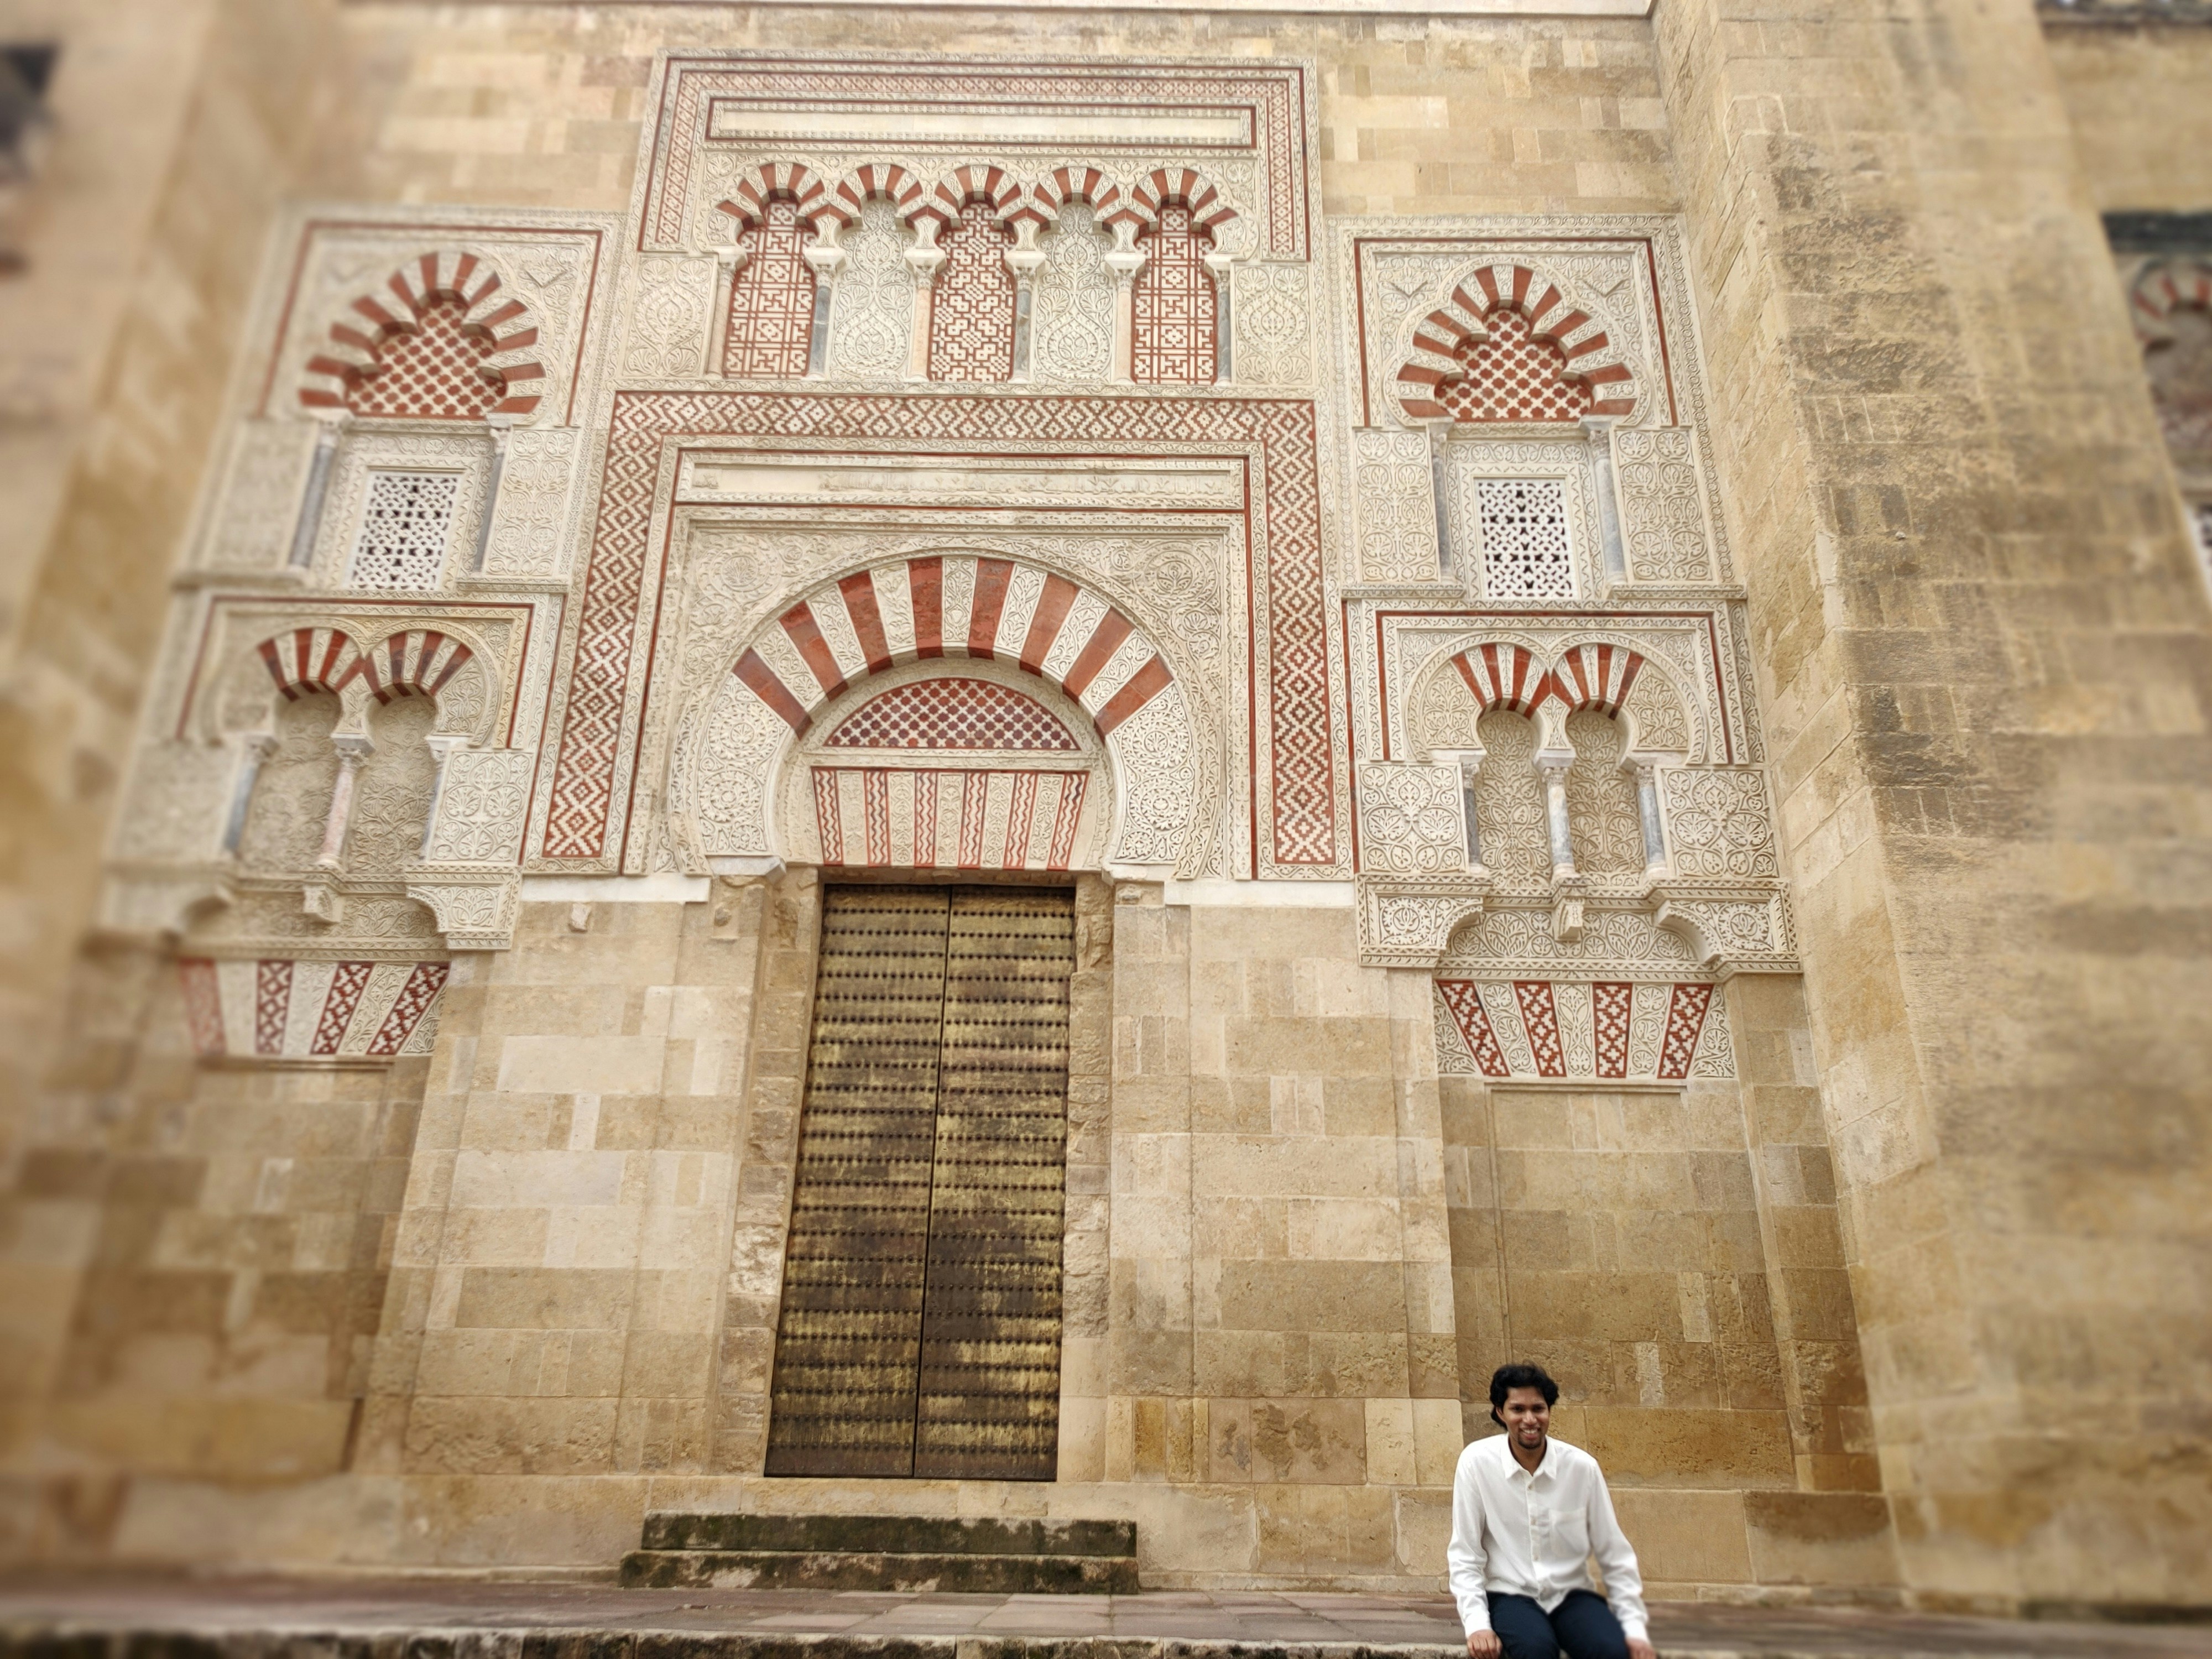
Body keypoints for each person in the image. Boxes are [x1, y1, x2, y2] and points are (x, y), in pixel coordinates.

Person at [1447, 1363, 1656, 1659]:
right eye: (1518, 1409)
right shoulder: (1477, 1463)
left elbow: (1614, 1552)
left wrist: (1634, 1631)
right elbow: (1466, 1554)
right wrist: (1477, 1625)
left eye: (1538, 1408)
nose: (1530, 1419)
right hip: (1510, 1595)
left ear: (1549, 1411)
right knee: (1536, 1650)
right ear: (1500, 1412)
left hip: (1571, 1597)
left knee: (1612, 1650)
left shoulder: (1581, 1467)